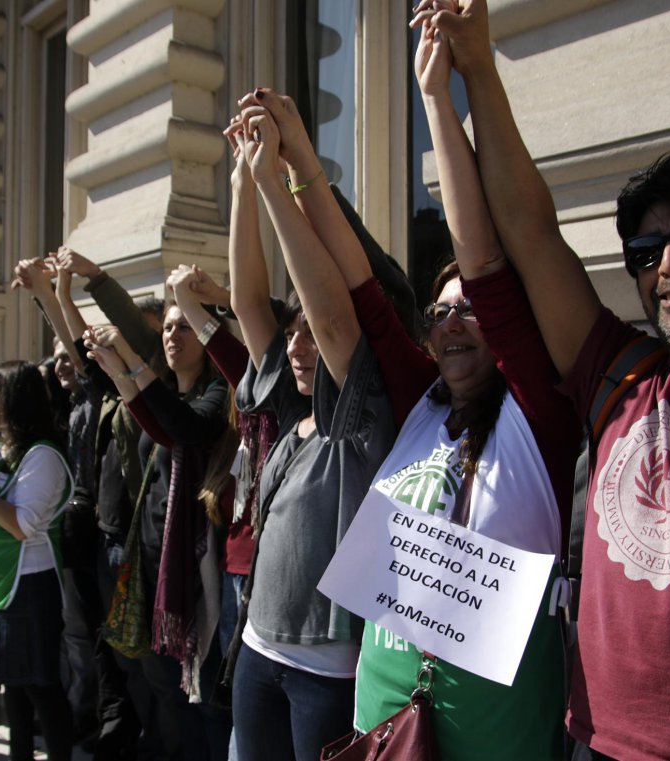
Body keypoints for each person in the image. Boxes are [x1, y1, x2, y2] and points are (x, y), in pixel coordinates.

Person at [416, 1, 670, 758]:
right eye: (646, 252)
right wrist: (476, 66)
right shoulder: (618, 374)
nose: (667, 266)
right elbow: (530, 232)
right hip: (600, 746)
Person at [222, 97, 396, 761]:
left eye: (305, 334)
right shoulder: (293, 420)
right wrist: (242, 179)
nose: (297, 345)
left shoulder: (360, 424)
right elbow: (245, 301)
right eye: (287, 333)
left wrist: (276, 181)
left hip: (328, 669)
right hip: (256, 648)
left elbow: (332, 323)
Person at [86, 295, 235, 761]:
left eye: (185, 327)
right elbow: (151, 416)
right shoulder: (162, 396)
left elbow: (183, 427)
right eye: (168, 328)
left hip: (198, 578)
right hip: (153, 570)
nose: (173, 335)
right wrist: (116, 367)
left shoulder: (218, 397)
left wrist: (130, 360)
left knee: (206, 702)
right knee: (167, 693)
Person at [0, 360, 77, 761]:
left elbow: (23, 525)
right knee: (14, 687)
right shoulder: (1, 450)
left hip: (28, 585)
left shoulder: (43, 456)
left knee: (40, 686)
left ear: (10, 400)